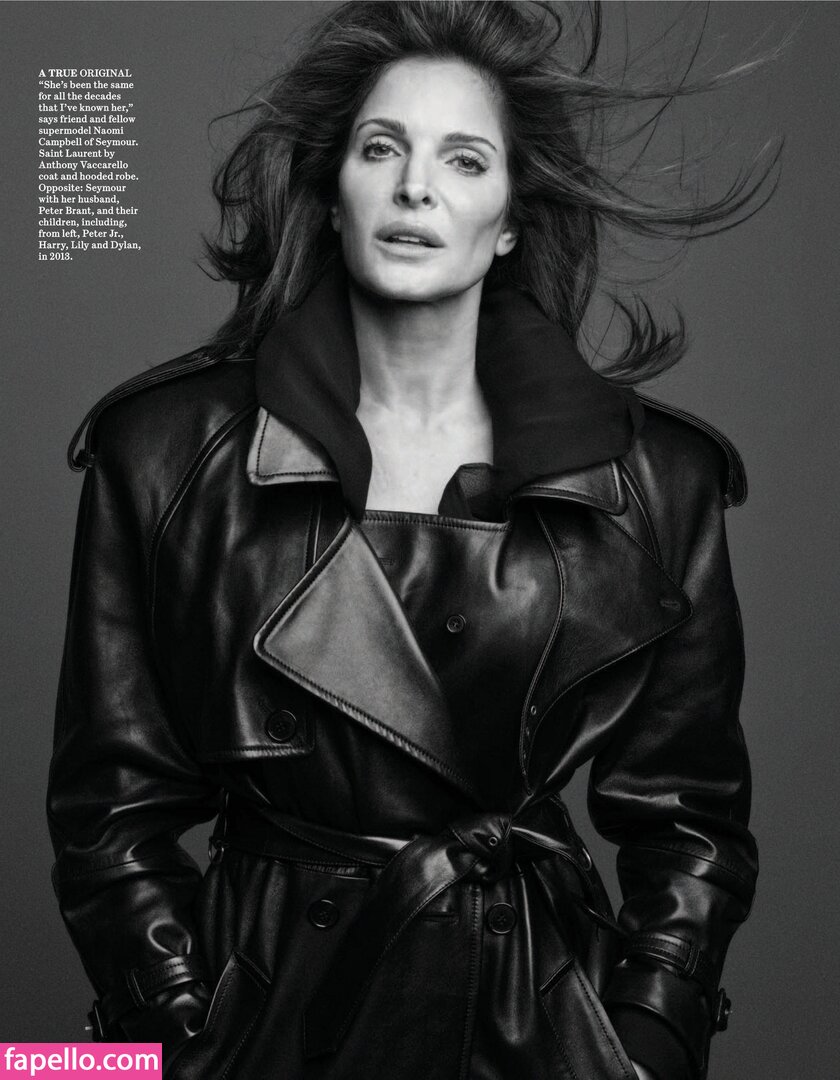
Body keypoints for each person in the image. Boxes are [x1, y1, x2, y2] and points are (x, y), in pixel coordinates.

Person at [47, 3, 772, 1078]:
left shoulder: (652, 480)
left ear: (510, 219)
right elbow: (110, 814)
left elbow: (692, 820)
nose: (415, 188)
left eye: (464, 159)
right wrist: (178, 1032)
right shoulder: (166, 454)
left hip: (540, 1024)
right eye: (381, 149)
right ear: (332, 191)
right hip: (275, 1029)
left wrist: (647, 1042)